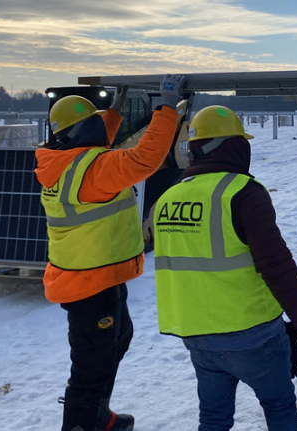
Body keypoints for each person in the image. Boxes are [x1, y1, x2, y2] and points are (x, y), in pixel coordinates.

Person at [153, 105, 297, 430]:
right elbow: (277, 265)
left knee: (213, 417)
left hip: (196, 335)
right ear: (233, 147)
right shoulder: (243, 193)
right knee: (278, 405)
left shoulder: (168, 198)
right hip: (252, 336)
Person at [35, 75, 186, 431]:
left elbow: (93, 141)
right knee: (93, 362)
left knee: (116, 340)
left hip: (92, 276)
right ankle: (83, 424)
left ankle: (97, 416)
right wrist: (166, 107)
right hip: (91, 283)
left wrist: (115, 111)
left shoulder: (65, 163)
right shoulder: (94, 170)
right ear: (84, 130)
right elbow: (146, 158)